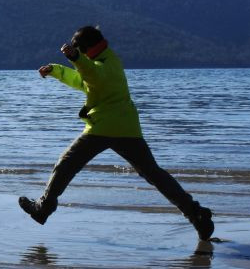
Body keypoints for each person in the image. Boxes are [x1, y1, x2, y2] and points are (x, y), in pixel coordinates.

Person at [18, 25, 214, 240]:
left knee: (66, 165)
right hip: (127, 128)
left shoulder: (106, 64)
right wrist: (56, 70)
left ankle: (43, 209)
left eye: (80, 51)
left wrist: (75, 57)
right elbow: (83, 80)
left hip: (103, 127)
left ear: (86, 49)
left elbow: (93, 75)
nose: (80, 55)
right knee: (154, 174)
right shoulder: (104, 60)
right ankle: (196, 214)